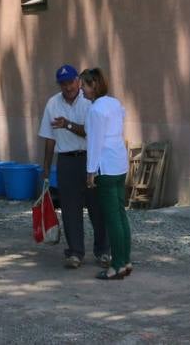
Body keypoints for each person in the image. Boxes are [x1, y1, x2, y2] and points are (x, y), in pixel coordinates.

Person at [39, 63, 109, 269]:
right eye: (63, 84)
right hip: (66, 160)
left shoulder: (90, 102)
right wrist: (45, 167)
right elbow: (49, 138)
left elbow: (91, 132)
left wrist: (67, 124)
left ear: (78, 81)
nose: (68, 87)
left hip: (90, 159)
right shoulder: (52, 103)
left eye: (70, 82)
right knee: (70, 209)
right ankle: (75, 252)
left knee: (97, 207)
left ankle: (103, 251)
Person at [81, 67, 130, 280]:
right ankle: (125, 260)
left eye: (84, 85)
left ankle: (117, 265)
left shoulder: (95, 110)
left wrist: (90, 171)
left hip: (106, 167)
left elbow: (94, 142)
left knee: (112, 218)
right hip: (119, 164)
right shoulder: (114, 103)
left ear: (94, 86)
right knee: (120, 214)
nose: (81, 89)